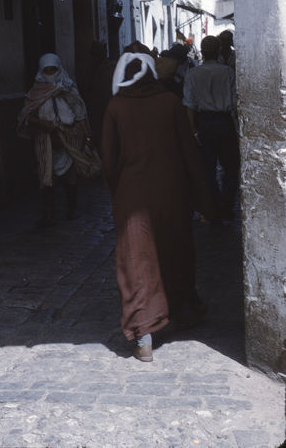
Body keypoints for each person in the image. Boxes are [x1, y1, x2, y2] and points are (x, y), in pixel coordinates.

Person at [101, 47, 214, 362]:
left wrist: (119, 192)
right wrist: (201, 196)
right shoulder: (170, 102)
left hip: (133, 196)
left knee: (137, 263)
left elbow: (108, 161)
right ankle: (183, 310)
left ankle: (144, 336)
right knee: (174, 251)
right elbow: (190, 154)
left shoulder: (116, 107)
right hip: (172, 193)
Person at [17, 53, 93, 227]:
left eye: (53, 69)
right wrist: (42, 123)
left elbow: (80, 114)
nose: (50, 72)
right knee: (46, 174)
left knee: (70, 175)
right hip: (45, 138)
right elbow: (26, 116)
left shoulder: (68, 88)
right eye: (47, 70)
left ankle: (71, 209)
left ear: (59, 68)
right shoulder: (35, 92)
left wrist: (87, 136)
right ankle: (48, 215)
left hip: (68, 136)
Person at [183, 35, 239, 221]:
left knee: (207, 169)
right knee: (230, 167)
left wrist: (192, 130)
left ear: (203, 52)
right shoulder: (228, 73)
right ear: (218, 51)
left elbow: (189, 105)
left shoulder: (193, 74)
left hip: (203, 122)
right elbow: (235, 104)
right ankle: (226, 204)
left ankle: (213, 206)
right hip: (224, 122)